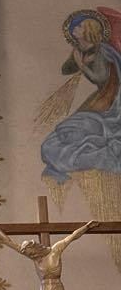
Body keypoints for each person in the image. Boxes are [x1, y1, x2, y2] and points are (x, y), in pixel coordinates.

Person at [40, 10, 121, 183]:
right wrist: (76, 58)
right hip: (100, 98)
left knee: (71, 133)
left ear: (89, 30)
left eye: (79, 26)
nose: (74, 28)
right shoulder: (83, 50)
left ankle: (93, 157)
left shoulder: (101, 51)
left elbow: (101, 77)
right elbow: (65, 70)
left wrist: (81, 64)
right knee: (66, 134)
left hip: (109, 101)